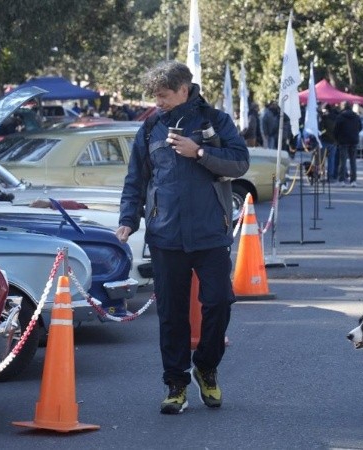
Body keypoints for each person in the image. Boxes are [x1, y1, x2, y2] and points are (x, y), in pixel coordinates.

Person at [116, 60, 249, 415]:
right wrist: (128, 219)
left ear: (184, 90)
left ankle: (206, 366)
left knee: (219, 302)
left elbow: (239, 163)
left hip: (211, 233)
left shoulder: (217, 121)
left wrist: (200, 152)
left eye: (163, 95)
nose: (157, 101)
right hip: (166, 235)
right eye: (154, 96)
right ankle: (176, 383)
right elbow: (136, 180)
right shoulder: (149, 129)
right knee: (172, 316)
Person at [333, 101, 362, 186]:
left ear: (343, 107)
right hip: (353, 140)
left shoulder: (340, 117)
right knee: (353, 162)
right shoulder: (356, 117)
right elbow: (360, 128)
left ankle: (341, 180)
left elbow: (336, 130)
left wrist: (337, 138)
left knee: (343, 161)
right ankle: (353, 181)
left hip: (343, 141)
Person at [320, 104, 339, 181]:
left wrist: (323, 133)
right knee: (331, 160)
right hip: (333, 142)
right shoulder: (336, 118)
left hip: (324, 141)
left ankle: (322, 175)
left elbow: (321, 130)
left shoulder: (324, 118)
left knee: (322, 160)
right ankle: (330, 176)